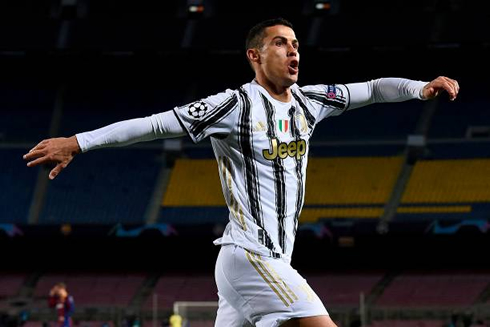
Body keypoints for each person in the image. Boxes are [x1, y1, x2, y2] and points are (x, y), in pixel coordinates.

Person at [24, 17, 459, 327]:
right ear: (255, 55)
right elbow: (156, 124)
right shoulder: (234, 105)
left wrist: (419, 89)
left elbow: (372, 89)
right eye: (280, 43)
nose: (293, 51)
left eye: (296, 45)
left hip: (261, 261)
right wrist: (78, 142)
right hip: (252, 255)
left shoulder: (310, 102)